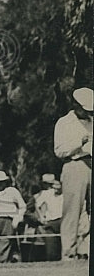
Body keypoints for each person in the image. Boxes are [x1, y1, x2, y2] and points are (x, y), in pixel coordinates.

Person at [54, 86, 92, 261]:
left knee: (89, 211)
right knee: (72, 211)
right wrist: (79, 142)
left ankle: (85, 250)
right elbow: (59, 150)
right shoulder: (64, 123)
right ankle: (68, 252)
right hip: (75, 165)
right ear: (76, 105)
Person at [34, 174, 63, 262]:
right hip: (51, 222)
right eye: (53, 186)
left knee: (64, 247)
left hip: (63, 221)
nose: (55, 188)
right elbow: (37, 204)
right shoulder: (46, 193)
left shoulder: (66, 194)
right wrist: (41, 217)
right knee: (51, 250)